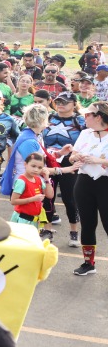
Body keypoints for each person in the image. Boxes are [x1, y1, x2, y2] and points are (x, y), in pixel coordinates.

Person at [69, 100, 108, 276]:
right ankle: (88, 263)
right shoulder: (85, 133)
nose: (84, 117)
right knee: (87, 224)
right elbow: (72, 156)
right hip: (84, 182)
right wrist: (75, 157)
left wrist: (100, 161)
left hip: (105, 184)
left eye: (87, 114)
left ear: (98, 117)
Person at [44, 92, 86, 246]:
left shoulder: (81, 121)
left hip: (69, 163)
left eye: (65, 102)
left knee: (70, 199)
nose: (61, 104)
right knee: (48, 197)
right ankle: (47, 230)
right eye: (58, 101)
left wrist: (77, 154)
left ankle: (74, 232)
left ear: (74, 104)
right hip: (48, 161)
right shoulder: (48, 117)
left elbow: (89, 139)